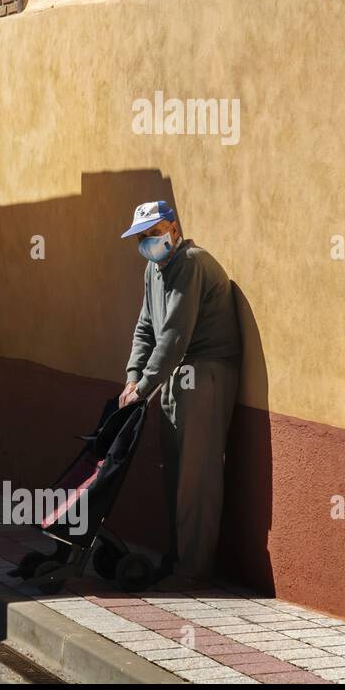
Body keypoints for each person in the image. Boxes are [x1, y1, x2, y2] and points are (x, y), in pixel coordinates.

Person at [118, 202, 241, 582]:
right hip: (173, 374)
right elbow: (146, 327)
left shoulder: (190, 262)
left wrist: (145, 385)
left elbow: (174, 334)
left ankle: (193, 568)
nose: (147, 243)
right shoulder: (154, 269)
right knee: (174, 469)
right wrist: (132, 376)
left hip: (204, 372)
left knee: (196, 474)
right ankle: (178, 558)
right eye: (142, 238)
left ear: (173, 228)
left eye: (153, 234)